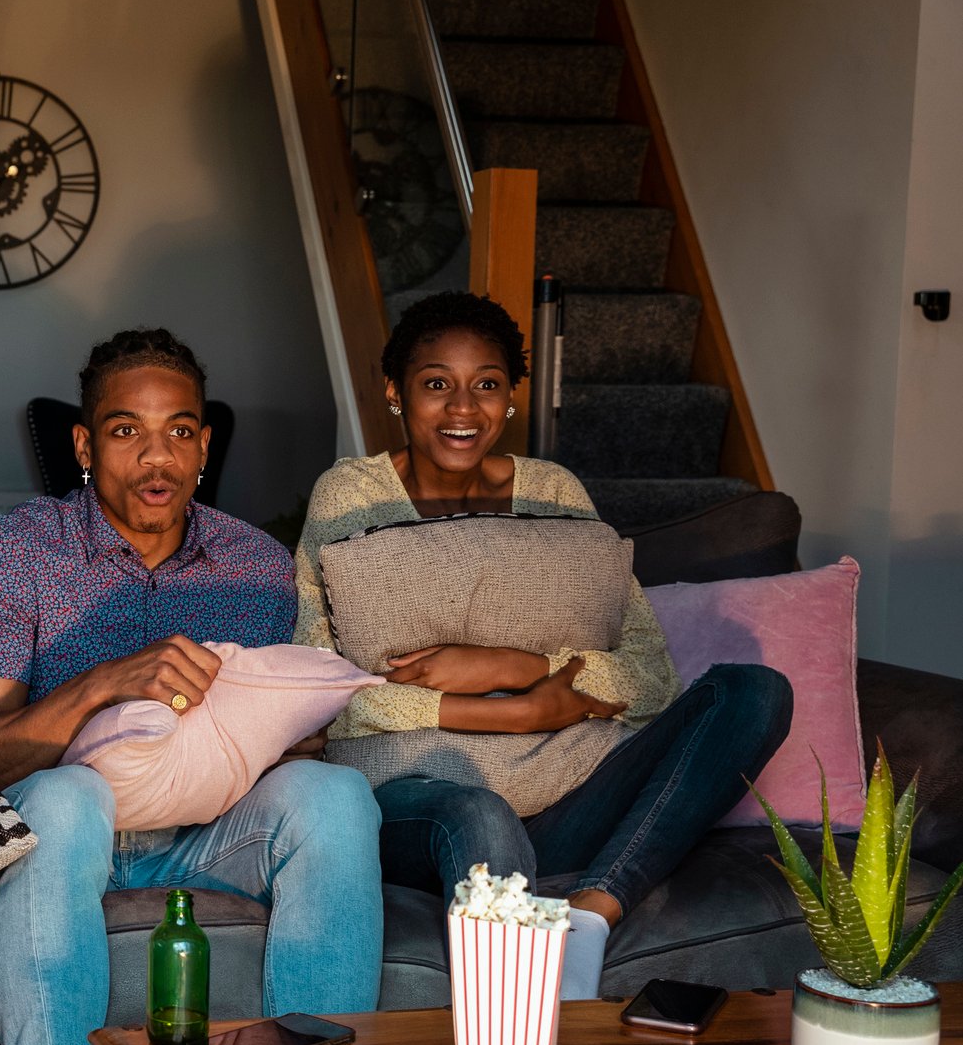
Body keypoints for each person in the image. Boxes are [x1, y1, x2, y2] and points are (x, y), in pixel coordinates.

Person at [0, 329, 384, 1045]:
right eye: (126, 433)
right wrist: (104, 683)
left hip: (207, 828)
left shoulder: (256, 564)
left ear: (204, 446)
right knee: (63, 800)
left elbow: (285, 740)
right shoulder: (17, 551)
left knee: (334, 796)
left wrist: (284, 715)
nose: (157, 458)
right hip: (71, 830)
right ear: (82, 446)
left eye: (179, 432)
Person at [293, 290, 792, 1001]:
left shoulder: (553, 491)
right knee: (478, 809)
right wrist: (524, 712)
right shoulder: (350, 496)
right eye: (436, 384)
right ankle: (515, 1034)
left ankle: (591, 916)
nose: (462, 409)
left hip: (571, 805)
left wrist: (516, 668)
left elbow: (650, 679)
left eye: (485, 385)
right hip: (419, 804)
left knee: (752, 691)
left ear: (510, 397)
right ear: (394, 393)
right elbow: (328, 691)